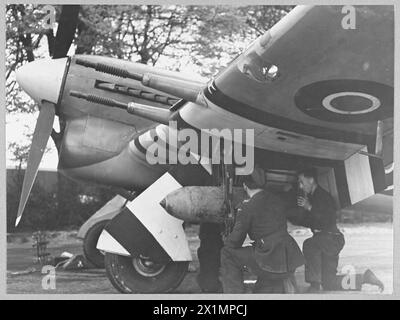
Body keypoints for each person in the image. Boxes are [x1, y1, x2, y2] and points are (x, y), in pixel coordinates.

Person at [288, 167, 384, 293]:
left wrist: (309, 207)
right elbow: (311, 221)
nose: (300, 186)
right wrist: (291, 218)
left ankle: (314, 285)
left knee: (309, 244)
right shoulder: (313, 197)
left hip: (331, 239)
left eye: (301, 181)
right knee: (329, 282)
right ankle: (364, 278)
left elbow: (327, 219)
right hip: (326, 240)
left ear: (311, 179)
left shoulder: (323, 196)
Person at [220, 167, 304, 293]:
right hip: (288, 260)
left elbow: (234, 242)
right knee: (264, 289)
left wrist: (226, 239)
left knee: (227, 253)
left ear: (244, 186)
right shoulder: (278, 199)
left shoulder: (247, 206)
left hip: (269, 262)